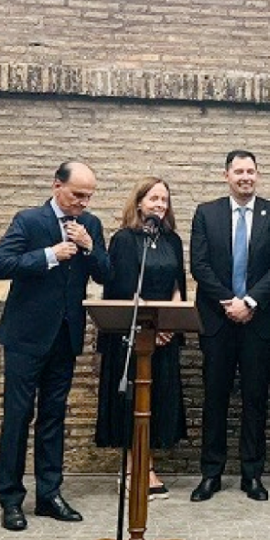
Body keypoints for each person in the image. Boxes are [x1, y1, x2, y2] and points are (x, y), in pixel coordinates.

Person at [0, 161, 111, 531]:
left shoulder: (91, 225)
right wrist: (49, 256)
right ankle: (11, 499)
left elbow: (106, 274)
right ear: (57, 186)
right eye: (77, 195)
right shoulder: (29, 220)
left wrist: (90, 247)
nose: (83, 203)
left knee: (54, 416)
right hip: (25, 337)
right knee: (18, 416)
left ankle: (49, 494)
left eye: (89, 196)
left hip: (65, 336)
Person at [188, 150, 270, 502]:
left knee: (255, 398)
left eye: (251, 171)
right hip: (217, 321)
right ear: (226, 176)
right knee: (214, 398)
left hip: (259, 322)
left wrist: (249, 302)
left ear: (257, 175)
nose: (245, 177)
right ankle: (210, 474)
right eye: (239, 171)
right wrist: (229, 301)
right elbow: (199, 265)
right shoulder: (206, 213)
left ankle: (252, 474)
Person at [94, 177, 188, 501]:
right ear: (139, 203)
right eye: (153, 199)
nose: (160, 205)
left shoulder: (172, 240)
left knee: (157, 400)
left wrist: (170, 323)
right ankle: (135, 469)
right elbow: (122, 287)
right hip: (132, 334)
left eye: (164, 200)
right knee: (134, 402)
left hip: (164, 335)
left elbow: (178, 285)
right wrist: (150, 324)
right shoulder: (124, 239)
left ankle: (147, 464)